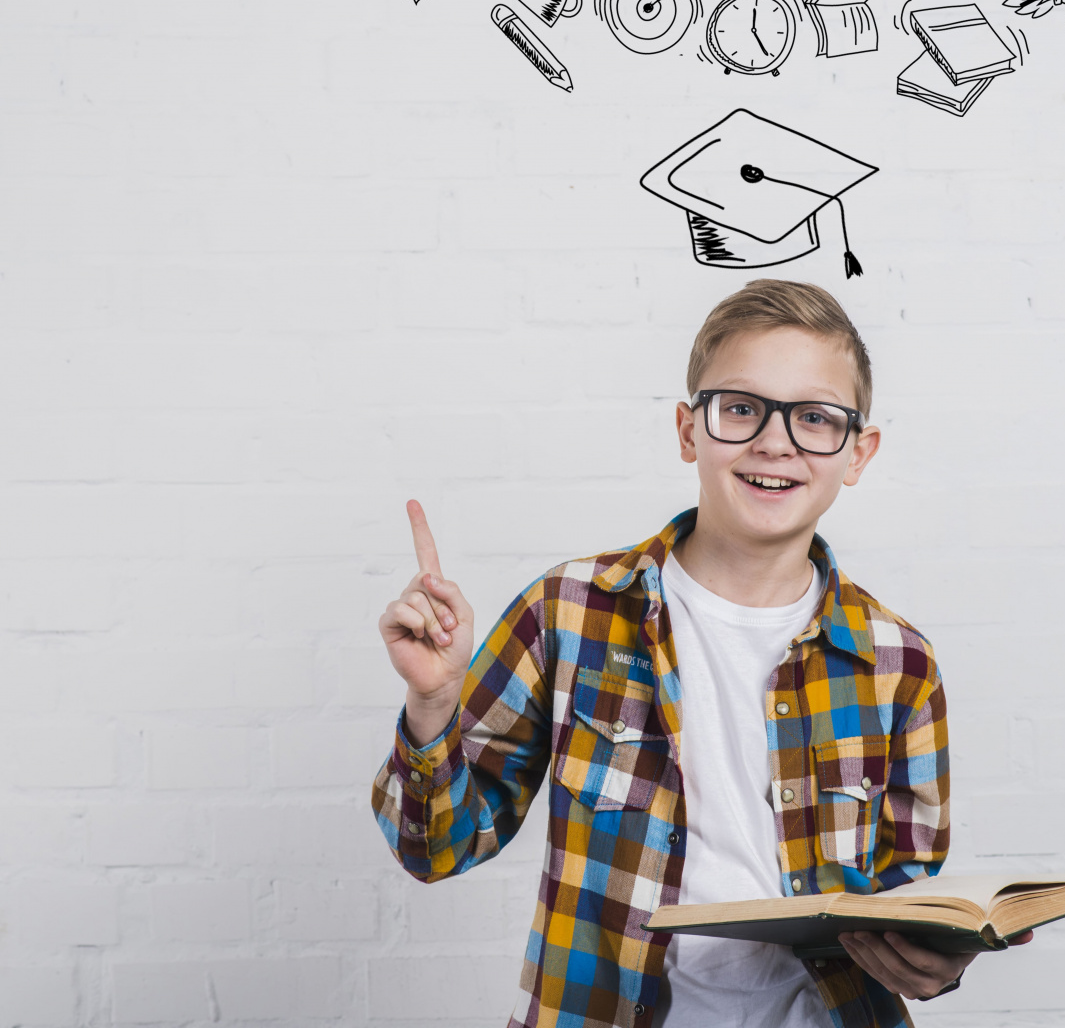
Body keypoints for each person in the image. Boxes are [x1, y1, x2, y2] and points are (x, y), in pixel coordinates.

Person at [370, 279, 1031, 1028]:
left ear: (858, 452)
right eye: (742, 409)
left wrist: (939, 960)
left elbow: (911, 904)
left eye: (814, 417)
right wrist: (431, 706)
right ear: (690, 431)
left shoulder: (898, 664)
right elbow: (436, 849)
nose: (774, 442)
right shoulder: (568, 611)